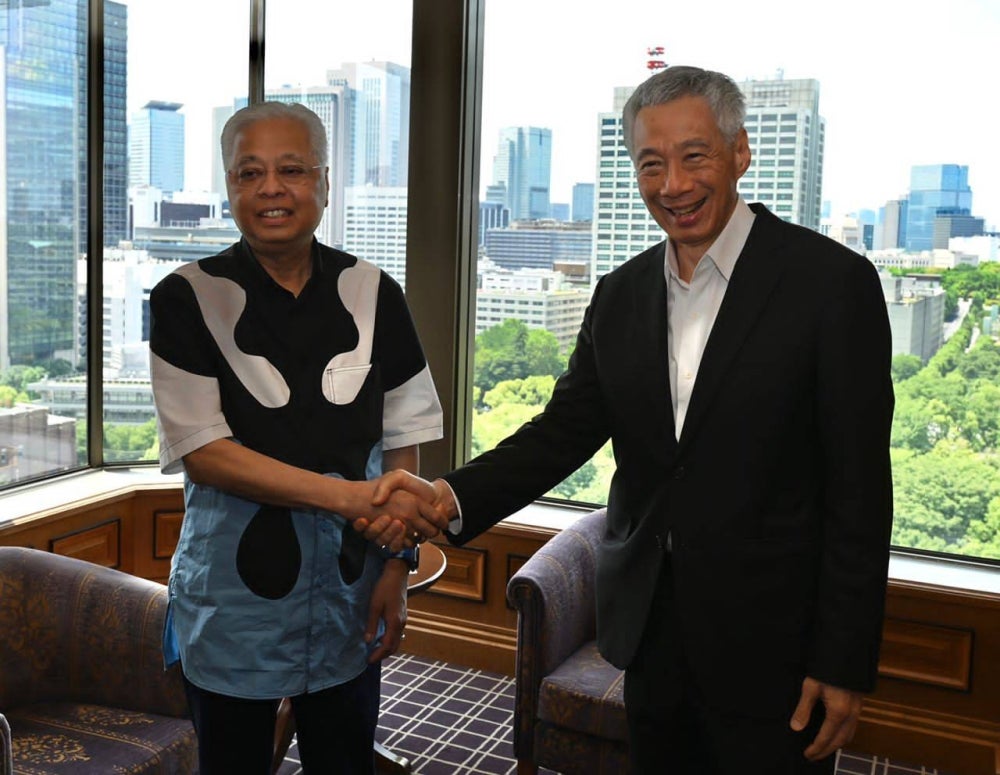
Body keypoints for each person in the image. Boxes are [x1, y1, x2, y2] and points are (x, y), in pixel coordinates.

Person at [368, 66, 894, 774]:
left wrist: (843, 657)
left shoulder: (832, 286)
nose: (673, 183)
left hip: (774, 642)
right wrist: (449, 497)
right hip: (650, 631)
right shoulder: (619, 296)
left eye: (694, 156)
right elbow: (563, 431)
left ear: (740, 153)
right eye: (652, 163)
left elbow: (861, 492)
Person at [149, 101, 446, 775]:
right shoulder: (186, 297)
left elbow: (405, 437)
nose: (271, 188)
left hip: (350, 585)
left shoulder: (374, 292)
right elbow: (206, 453)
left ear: (324, 182)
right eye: (249, 172)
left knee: (343, 759)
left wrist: (396, 569)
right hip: (232, 599)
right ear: (230, 187)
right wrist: (350, 497)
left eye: (291, 169)